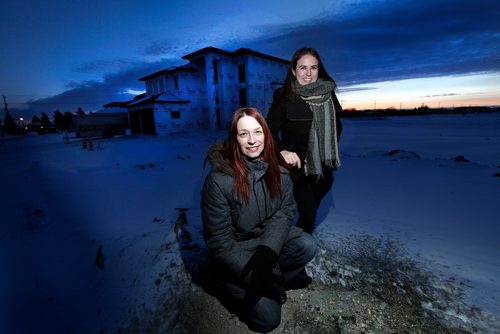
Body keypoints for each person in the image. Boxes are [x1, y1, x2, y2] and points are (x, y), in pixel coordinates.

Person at [201, 107, 317, 333]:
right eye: (243, 134)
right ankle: (228, 283)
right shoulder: (218, 181)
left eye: (257, 132)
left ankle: (273, 279)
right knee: (267, 321)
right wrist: (255, 277)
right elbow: (218, 241)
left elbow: (284, 212)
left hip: (264, 244)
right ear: (234, 138)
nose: (252, 140)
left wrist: (268, 251)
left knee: (306, 245)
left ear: (266, 133)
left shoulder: (279, 170)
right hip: (236, 251)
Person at [267, 47, 343, 234]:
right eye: (303, 68)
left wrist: (329, 149)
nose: (308, 73)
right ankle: (297, 253)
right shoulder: (284, 97)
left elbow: (337, 125)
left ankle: (296, 239)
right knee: (308, 213)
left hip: (324, 167)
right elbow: (268, 131)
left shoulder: (328, 92)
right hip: (298, 168)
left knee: (310, 211)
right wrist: (283, 151)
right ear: (293, 70)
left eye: (313, 68)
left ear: (319, 70)